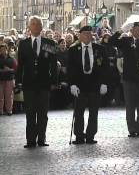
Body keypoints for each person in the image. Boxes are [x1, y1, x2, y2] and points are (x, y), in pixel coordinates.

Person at [16, 16, 58, 148]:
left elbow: (53, 64)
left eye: (37, 24)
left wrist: (54, 81)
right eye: (32, 24)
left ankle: (41, 138)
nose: (35, 26)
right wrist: (18, 81)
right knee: (29, 112)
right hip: (28, 84)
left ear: (41, 27)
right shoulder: (23, 44)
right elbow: (20, 65)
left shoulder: (49, 43)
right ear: (29, 27)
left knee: (42, 113)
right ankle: (30, 140)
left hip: (44, 83)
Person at [67, 26, 109, 144]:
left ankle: (90, 135)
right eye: (84, 34)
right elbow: (70, 69)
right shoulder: (73, 49)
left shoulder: (100, 49)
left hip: (95, 85)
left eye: (89, 34)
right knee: (79, 112)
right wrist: (72, 84)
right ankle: (79, 136)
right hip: (80, 85)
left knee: (93, 112)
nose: (87, 36)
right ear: (80, 36)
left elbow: (105, 68)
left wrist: (104, 83)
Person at [109, 22, 139, 137]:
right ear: (131, 31)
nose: (138, 31)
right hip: (128, 78)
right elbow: (111, 41)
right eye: (136, 29)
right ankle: (132, 129)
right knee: (130, 105)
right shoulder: (126, 41)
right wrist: (121, 31)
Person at [0, 43, 16, 115]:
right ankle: (1, 111)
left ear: (7, 49)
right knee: (0, 96)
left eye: (4, 49)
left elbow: (15, 69)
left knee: (9, 96)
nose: (3, 51)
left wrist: (9, 70)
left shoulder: (12, 59)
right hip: (1, 79)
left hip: (9, 79)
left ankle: (9, 110)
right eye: (1, 49)